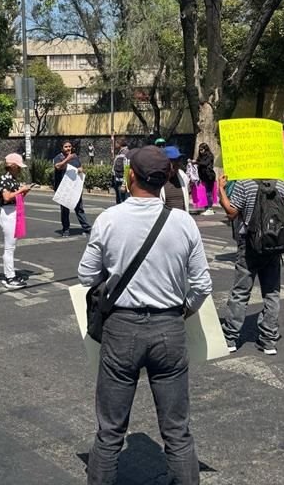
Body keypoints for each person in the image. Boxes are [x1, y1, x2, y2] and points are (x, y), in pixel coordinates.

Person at [78, 146, 212, 485]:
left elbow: (85, 275)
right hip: (169, 328)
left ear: (130, 176)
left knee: (109, 432)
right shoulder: (183, 223)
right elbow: (202, 285)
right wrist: (182, 311)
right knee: (177, 432)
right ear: (167, 178)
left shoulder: (109, 219)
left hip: (121, 329)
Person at [218, 174, 284, 355]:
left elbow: (231, 212)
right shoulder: (280, 184)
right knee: (272, 293)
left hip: (249, 244)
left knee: (241, 291)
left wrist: (221, 189)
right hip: (273, 244)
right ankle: (268, 340)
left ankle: (230, 338)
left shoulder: (245, 184)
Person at [0, 153, 34, 288]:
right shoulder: (4, 179)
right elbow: (7, 197)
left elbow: (17, 197)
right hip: (8, 213)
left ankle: (10, 274)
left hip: (15, 211)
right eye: (18, 167)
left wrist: (25, 190)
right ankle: (10, 278)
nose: (20, 169)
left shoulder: (13, 179)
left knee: (12, 246)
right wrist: (21, 190)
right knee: (9, 247)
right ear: (12, 166)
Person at [53, 140, 91, 237]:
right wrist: (67, 159)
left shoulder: (75, 157)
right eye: (66, 147)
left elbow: (80, 168)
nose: (68, 148)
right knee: (65, 210)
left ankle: (86, 228)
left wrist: (81, 170)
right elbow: (58, 166)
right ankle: (66, 229)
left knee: (79, 208)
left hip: (74, 188)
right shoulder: (58, 157)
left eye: (69, 146)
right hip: (64, 188)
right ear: (62, 148)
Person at [161, 146, 191, 212]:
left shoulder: (182, 175)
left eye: (178, 160)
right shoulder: (157, 180)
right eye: (173, 161)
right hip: (166, 220)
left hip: (182, 219)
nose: (177, 164)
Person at [192, 144, 217, 215]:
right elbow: (198, 162)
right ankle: (206, 208)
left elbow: (205, 163)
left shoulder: (210, 156)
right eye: (199, 150)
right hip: (203, 176)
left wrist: (196, 162)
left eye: (202, 150)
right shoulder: (200, 157)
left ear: (205, 149)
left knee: (208, 193)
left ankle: (210, 208)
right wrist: (192, 162)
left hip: (209, 176)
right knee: (204, 193)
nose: (200, 151)